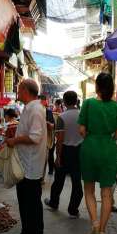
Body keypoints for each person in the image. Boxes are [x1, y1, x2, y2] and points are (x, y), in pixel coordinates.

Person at [78, 73, 117, 234]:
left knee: (89, 190)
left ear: (96, 86)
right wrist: (108, 140)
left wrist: (91, 137)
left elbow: (81, 130)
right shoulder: (115, 107)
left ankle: (95, 224)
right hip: (108, 150)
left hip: (89, 148)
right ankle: (103, 232)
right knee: (106, 193)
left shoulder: (88, 104)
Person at [6, 79, 48, 234]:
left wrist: (15, 140)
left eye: (18, 88)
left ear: (25, 90)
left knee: (32, 203)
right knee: (24, 200)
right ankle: (26, 232)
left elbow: (35, 137)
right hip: (24, 162)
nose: (17, 91)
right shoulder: (29, 108)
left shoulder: (36, 109)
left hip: (31, 164)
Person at [44, 90, 84, 218]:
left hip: (65, 151)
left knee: (59, 180)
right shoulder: (82, 115)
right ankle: (73, 209)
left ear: (64, 102)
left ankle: (54, 202)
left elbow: (60, 139)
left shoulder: (62, 117)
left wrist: (58, 156)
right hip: (79, 151)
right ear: (76, 100)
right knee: (77, 181)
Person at [39, 95, 56, 176]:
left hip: (46, 139)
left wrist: (46, 123)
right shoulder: (32, 111)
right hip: (36, 138)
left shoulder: (48, 112)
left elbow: (52, 126)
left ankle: (42, 177)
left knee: (45, 158)